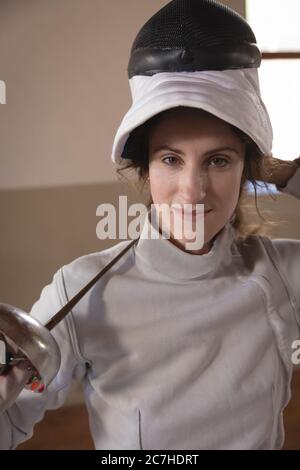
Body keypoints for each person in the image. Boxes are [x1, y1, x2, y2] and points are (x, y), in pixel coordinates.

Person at [0, 0, 300, 450]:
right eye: (171, 159)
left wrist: (279, 170)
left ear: (248, 172)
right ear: (145, 170)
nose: (192, 191)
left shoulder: (284, 273)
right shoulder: (80, 292)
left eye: (218, 160)